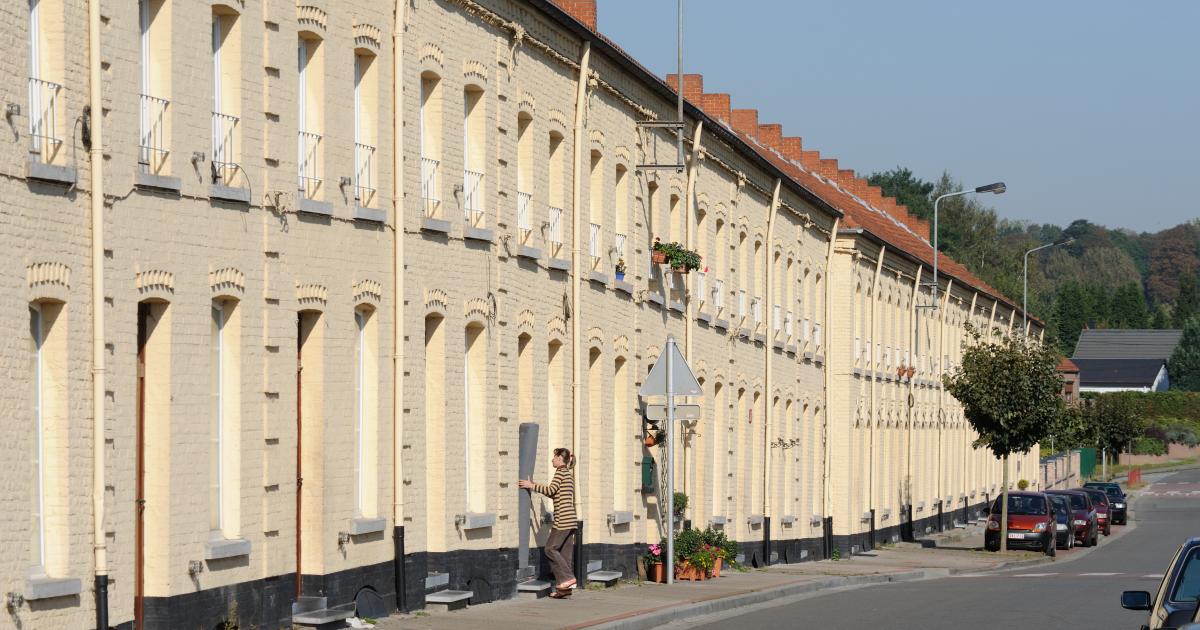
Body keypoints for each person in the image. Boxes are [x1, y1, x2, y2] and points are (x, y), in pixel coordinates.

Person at [518, 447, 577, 599]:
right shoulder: (568, 474)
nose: (552, 460)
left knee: (550, 549)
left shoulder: (560, 472)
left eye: (554, 457)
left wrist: (532, 486)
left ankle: (568, 578)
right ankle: (564, 589)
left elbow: (551, 490)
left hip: (563, 519)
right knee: (564, 555)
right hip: (571, 520)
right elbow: (557, 494)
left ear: (560, 459)